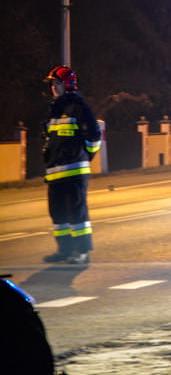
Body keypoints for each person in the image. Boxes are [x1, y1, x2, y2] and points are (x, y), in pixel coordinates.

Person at [42, 65, 101, 265]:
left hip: (75, 171)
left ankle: (82, 252)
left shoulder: (78, 107)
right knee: (58, 214)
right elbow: (49, 138)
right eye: (52, 84)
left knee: (77, 213)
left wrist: (83, 157)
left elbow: (94, 136)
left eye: (56, 83)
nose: (53, 88)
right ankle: (64, 250)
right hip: (54, 172)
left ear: (67, 84)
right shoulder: (54, 109)